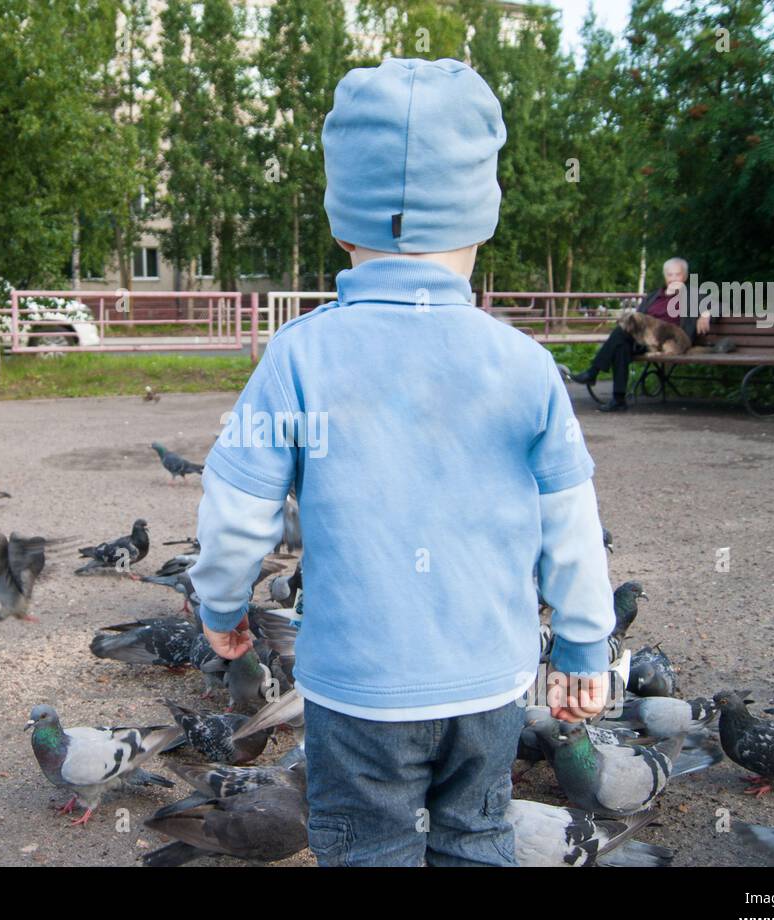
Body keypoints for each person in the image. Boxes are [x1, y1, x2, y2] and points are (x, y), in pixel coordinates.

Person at [187, 58, 615, 866]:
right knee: (478, 834)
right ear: (482, 219)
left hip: (358, 687)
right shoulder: (525, 363)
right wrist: (584, 645)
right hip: (490, 679)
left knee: (369, 844)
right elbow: (571, 519)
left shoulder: (299, 357)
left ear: (341, 219)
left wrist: (220, 604)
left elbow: (237, 506)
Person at [570, 258, 712, 411]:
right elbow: (637, 319)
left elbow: (715, 303)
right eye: (670, 275)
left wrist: (705, 314)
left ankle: (595, 375)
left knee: (620, 338)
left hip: (668, 343)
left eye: (677, 275)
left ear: (684, 277)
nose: (673, 279)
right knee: (621, 342)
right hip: (643, 340)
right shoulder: (653, 296)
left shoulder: (693, 295)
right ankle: (617, 399)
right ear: (665, 277)